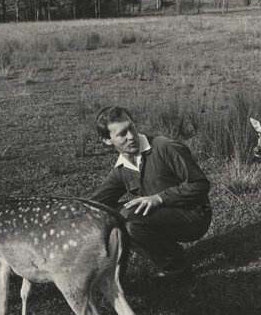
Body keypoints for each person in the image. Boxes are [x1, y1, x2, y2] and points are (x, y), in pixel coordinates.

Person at [89, 106, 212, 280]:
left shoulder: (164, 146)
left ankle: (177, 267)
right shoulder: (121, 169)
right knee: (112, 215)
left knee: (130, 220)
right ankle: (159, 256)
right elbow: (96, 203)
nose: (131, 136)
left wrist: (159, 198)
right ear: (107, 140)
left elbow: (200, 184)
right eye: (122, 134)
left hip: (194, 215)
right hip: (165, 216)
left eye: (131, 127)